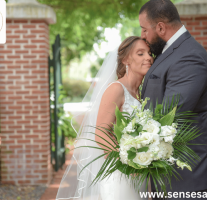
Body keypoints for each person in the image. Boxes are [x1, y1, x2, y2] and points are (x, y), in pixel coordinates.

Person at [138, 0, 207, 199]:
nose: (143, 35)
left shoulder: (189, 57)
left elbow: (170, 114)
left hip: (190, 174)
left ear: (160, 27)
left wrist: (134, 140)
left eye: (144, 29)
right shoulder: (168, 52)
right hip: (171, 173)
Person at [56, 36, 154, 200]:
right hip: (120, 174)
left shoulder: (142, 93)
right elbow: (100, 133)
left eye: (149, 53)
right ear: (126, 60)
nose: (148, 57)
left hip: (141, 173)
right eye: (140, 53)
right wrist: (130, 164)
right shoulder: (116, 89)